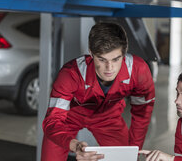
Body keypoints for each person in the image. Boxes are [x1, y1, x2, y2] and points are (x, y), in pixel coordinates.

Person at [41, 22, 155, 161]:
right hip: (69, 118)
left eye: (116, 59)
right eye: (102, 59)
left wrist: (133, 152)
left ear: (124, 53)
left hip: (109, 117)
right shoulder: (70, 73)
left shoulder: (139, 71)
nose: (109, 68)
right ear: (91, 53)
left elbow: (142, 114)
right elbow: (53, 121)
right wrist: (74, 145)